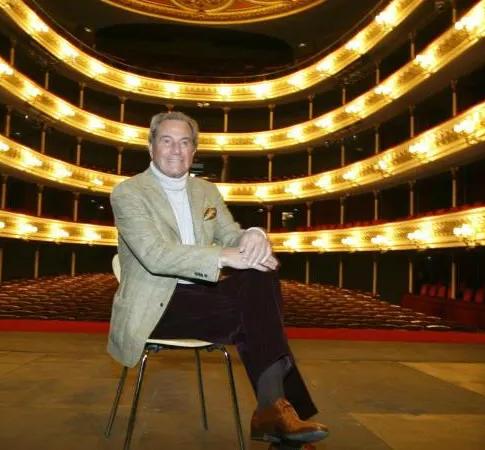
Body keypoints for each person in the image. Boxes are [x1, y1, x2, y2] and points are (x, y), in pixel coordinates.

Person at [108, 111, 328, 448]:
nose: (176, 150)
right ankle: (280, 421)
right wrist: (225, 256)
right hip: (157, 307)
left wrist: (254, 237)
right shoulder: (128, 193)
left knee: (261, 278)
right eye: (166, 141)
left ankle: (276, 415)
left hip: (203, 300)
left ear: (194, 151)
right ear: (151, 147)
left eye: (184, 142)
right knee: (257, 316)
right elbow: (154, 255)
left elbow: (230, 234)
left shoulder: (206, 191)